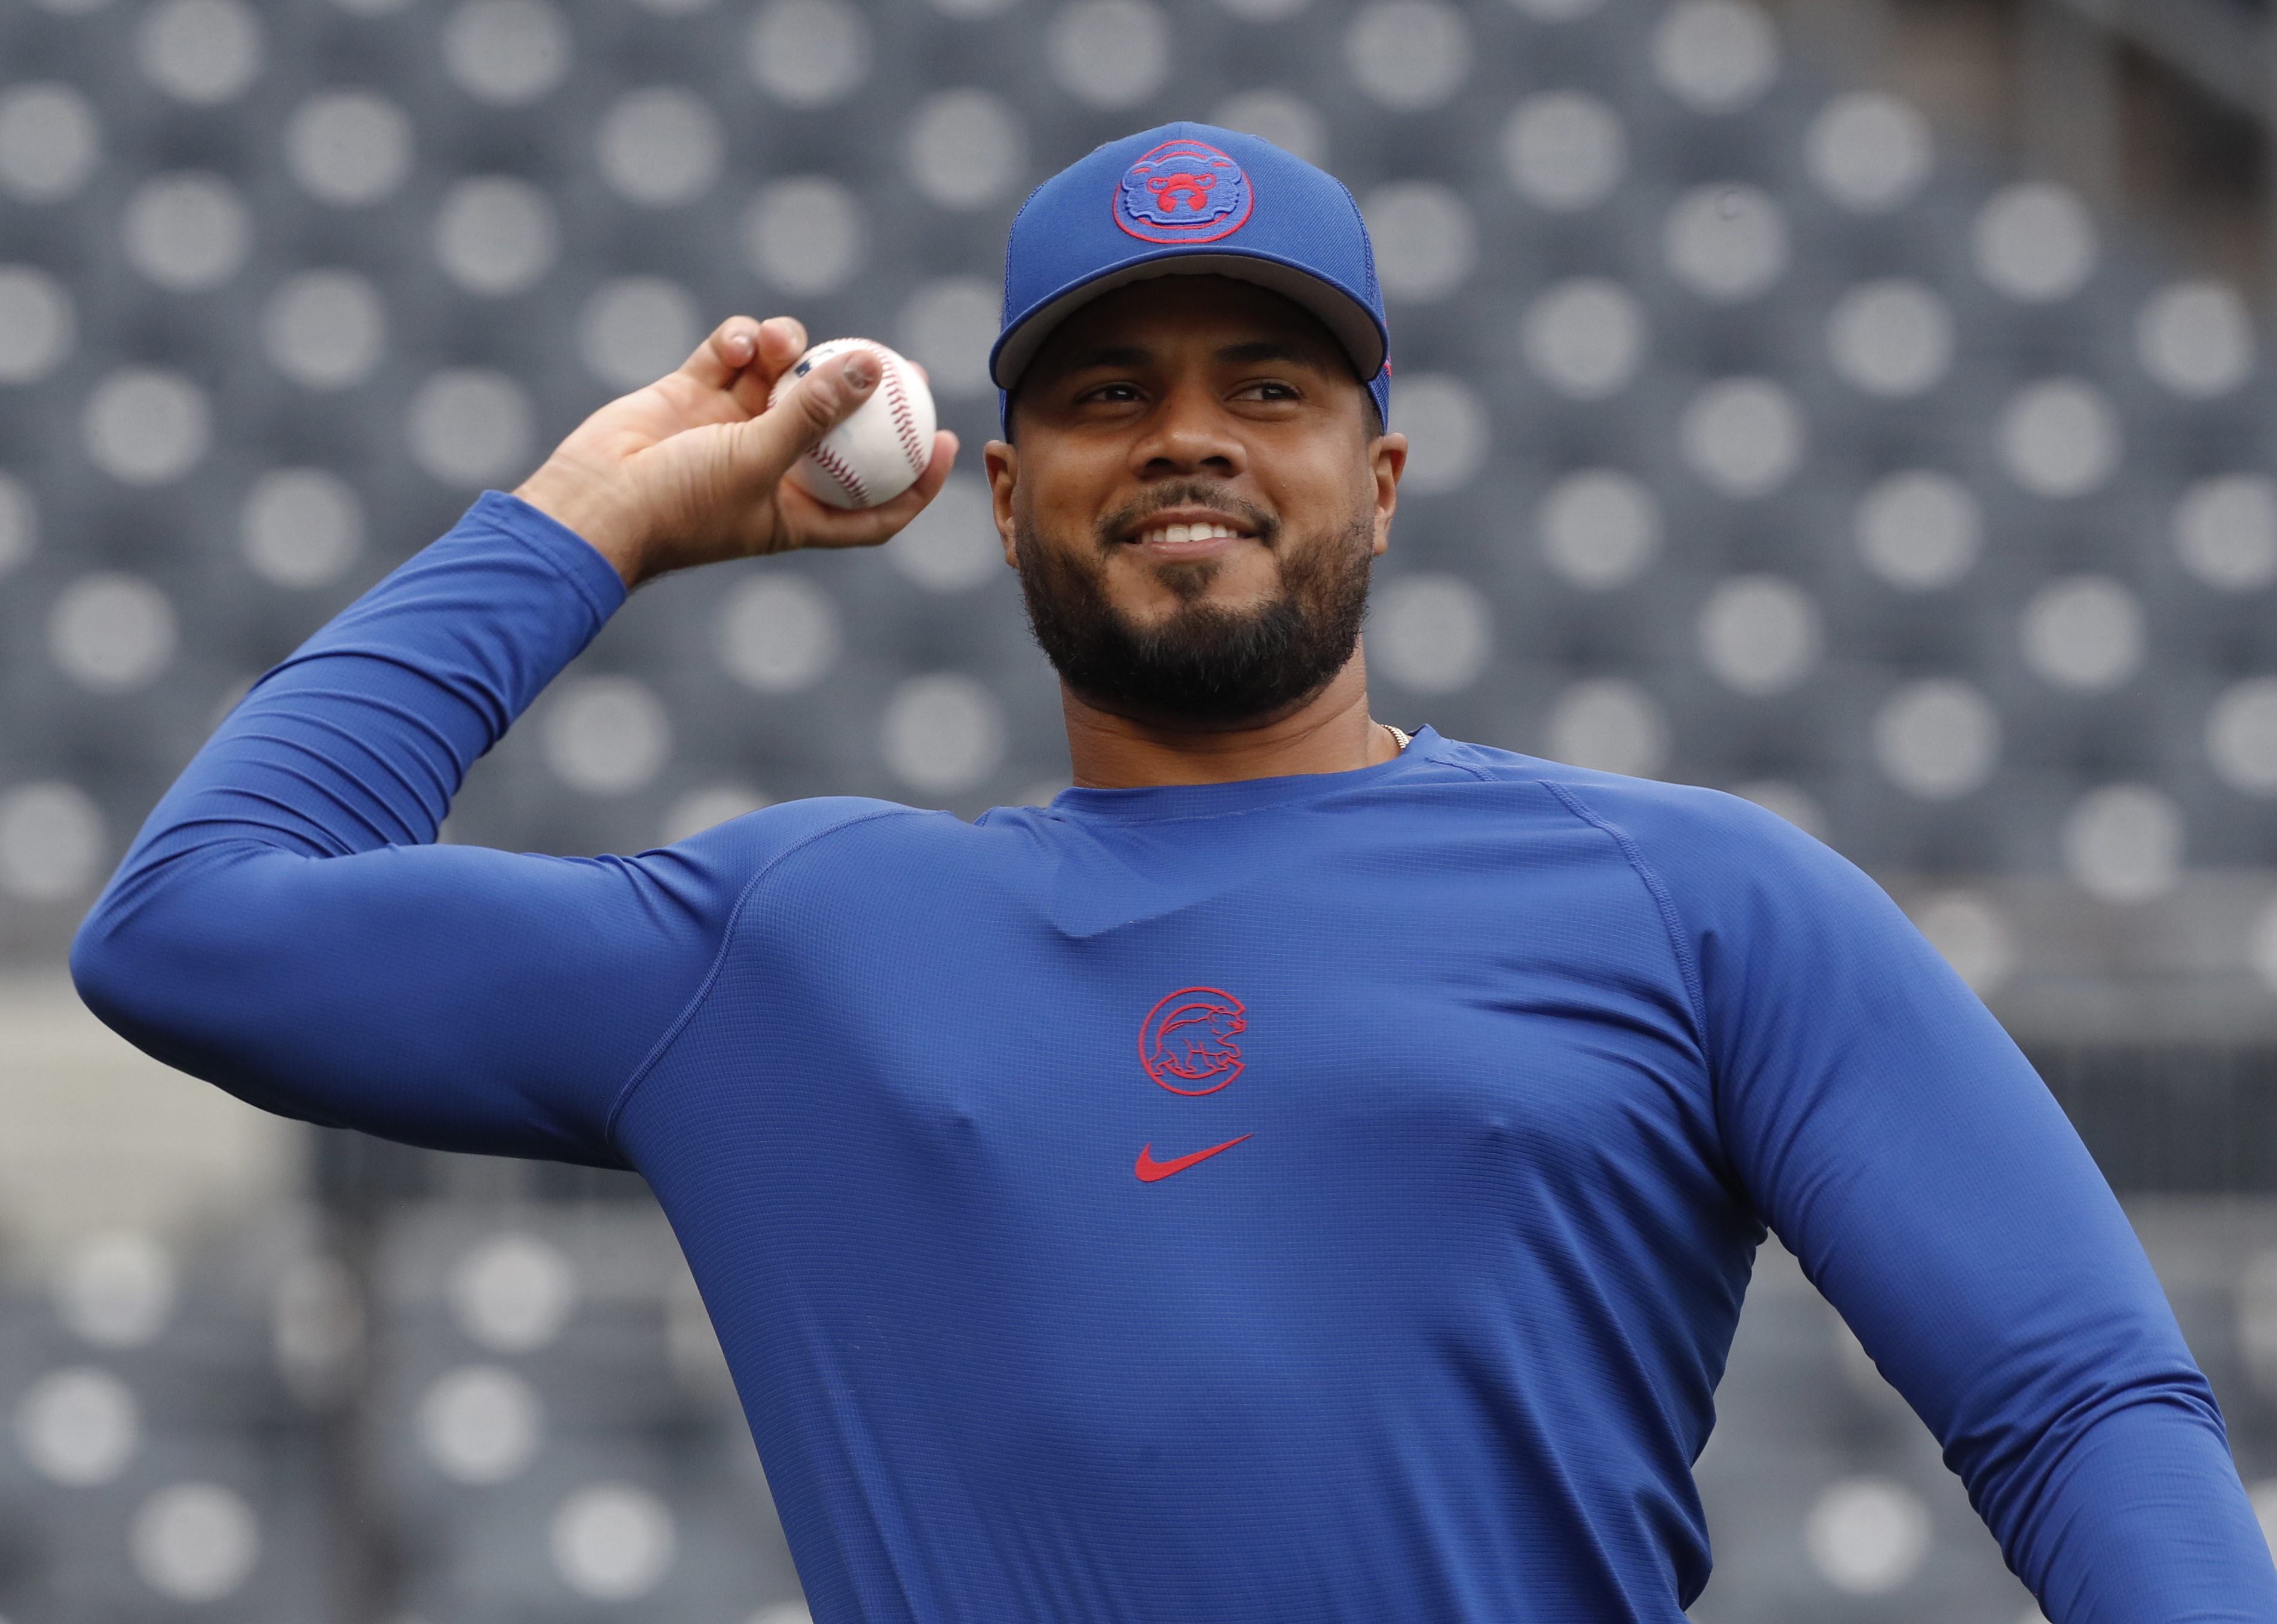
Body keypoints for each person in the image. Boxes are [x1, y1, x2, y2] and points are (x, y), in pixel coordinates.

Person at [70, 122, 2277, 1620]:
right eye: (1113, 393)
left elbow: (2081, 1406)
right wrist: (593, 518)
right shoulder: (786, 942)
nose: (1193, 433)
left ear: (1381, 479)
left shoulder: (1698, 904)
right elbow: (191, 930)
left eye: (1272, 384)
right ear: (1005, 494)